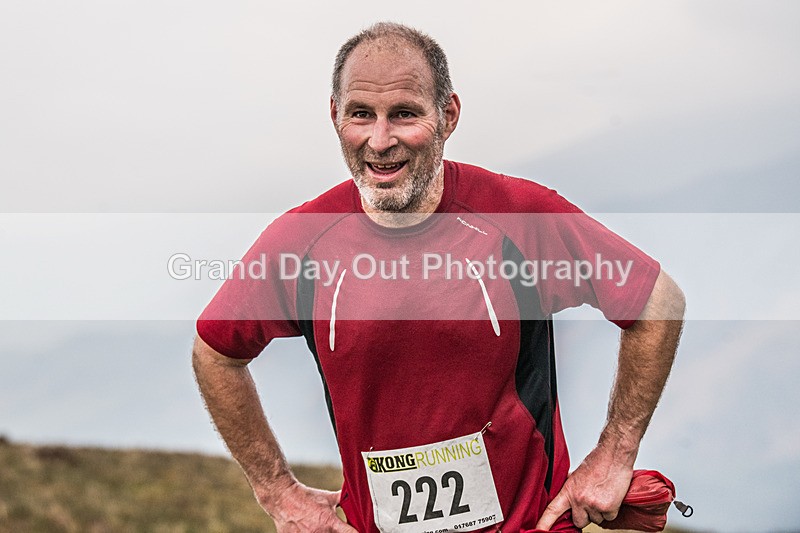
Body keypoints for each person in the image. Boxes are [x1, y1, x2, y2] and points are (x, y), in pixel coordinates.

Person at [192, 22, 685, 533]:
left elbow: (658, 303)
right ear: (335, 115)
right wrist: (277, 492)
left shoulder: (519, 218)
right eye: (361, 115)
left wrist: (614, 454)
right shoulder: (304, 242)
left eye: (404, 114)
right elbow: (215, 353)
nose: (380, 141)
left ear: (447, 115)